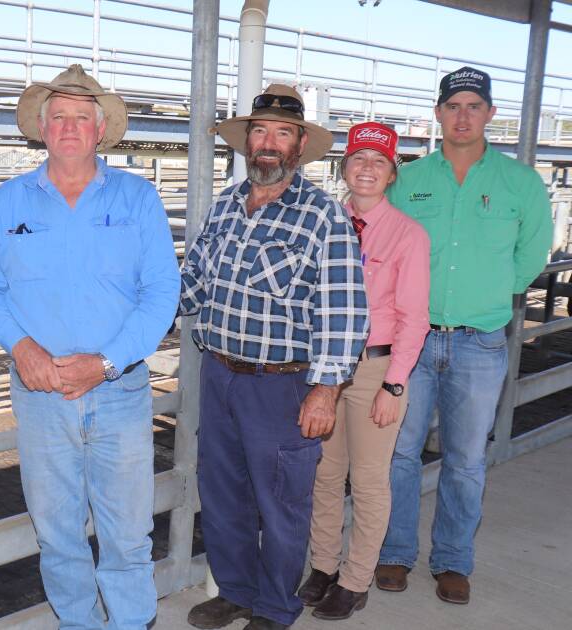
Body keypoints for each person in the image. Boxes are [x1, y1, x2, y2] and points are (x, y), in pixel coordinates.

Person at [0, 64, 181, 629]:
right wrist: (20, 347)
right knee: (57, 532)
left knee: (127, 533)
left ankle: (132, 623)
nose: (68, 126)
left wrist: (107, 362)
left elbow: (162, 293)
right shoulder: (9, 201)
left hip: (118, 390)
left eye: (80, 117)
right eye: (58, 116)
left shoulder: (138, 198)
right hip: (41, 394)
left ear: (100, 128)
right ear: (41, 126)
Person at [181, 84, 369, 630]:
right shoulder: (224, 207)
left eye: (280, 133)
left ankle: (275, 606)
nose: (267, 142)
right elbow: (191, 285)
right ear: (246, 143)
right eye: (258, 131)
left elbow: (345, 310)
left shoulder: (322, 216)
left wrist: (326, 388)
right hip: (219, 373)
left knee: (282, 504)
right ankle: (236, 591)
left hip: (283, 386)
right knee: (222, 493)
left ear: (300, 143)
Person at [376, 66, 553, 605]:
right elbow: (383, 245)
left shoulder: (519, 182)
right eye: (453, 106)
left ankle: (452, 559)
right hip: (415, 340)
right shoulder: (409, 179)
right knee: (400, 452)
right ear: (437, 113)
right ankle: (395, 552)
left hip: (480, 341)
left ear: (490, 114)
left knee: (466, 458)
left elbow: (532, 253)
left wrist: (492, 293)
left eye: (474, 106)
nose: (462, 115)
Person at [296, 122, 431, 621]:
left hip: (375, 367)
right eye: (358, 159)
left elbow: (415, 318)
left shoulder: (408, 234)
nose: (367, 169)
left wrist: (394, 384)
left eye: (379, 161)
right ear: (344, 167)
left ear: (392, 173)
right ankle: (324, 567)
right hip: (328, 366)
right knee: (325, 474)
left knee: (370, 479)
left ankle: (356, 580)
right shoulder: (326, 222)